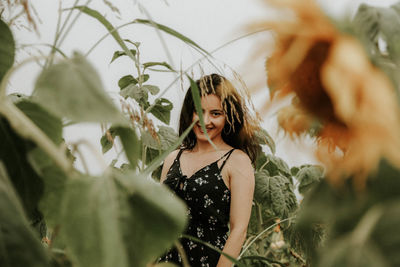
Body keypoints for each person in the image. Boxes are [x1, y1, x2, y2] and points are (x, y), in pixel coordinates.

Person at [159, 73, 260, 267]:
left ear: (228, 117)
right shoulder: (173, 158)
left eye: (216, 113)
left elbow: (239, 229)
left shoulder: (236, 161)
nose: (205, 121)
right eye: (198, 111)